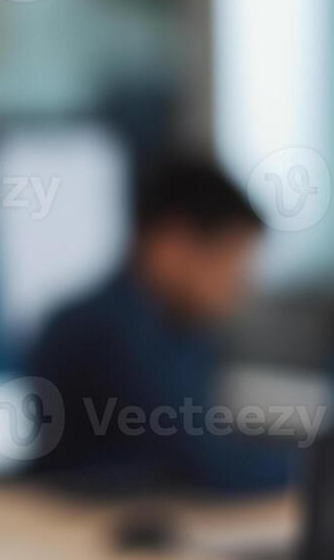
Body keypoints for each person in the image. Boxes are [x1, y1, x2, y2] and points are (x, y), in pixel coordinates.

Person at [24, 155, 292, 492]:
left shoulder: (184, 329)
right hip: (75, 525)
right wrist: (314, 466)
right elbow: (204, 462)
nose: (240, 283)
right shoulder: (107, 331)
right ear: (171, 245)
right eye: (229, 261)